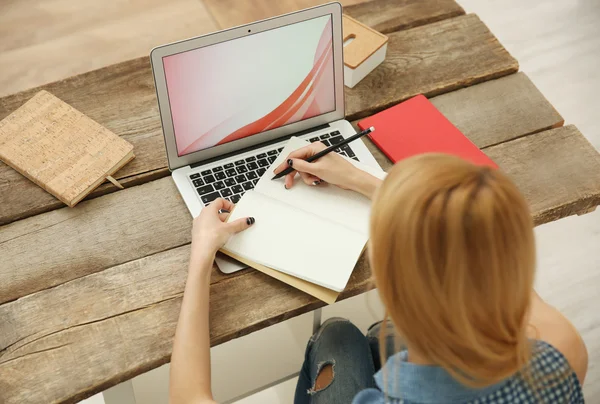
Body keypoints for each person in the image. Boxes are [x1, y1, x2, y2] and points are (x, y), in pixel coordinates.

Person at [169, 142, 588, 404]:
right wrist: (358, 178)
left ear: (394, 289)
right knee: (375, 339)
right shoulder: (561, 356)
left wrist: (202, 253)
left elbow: (187, 398)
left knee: (337, 335)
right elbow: (480, 245)